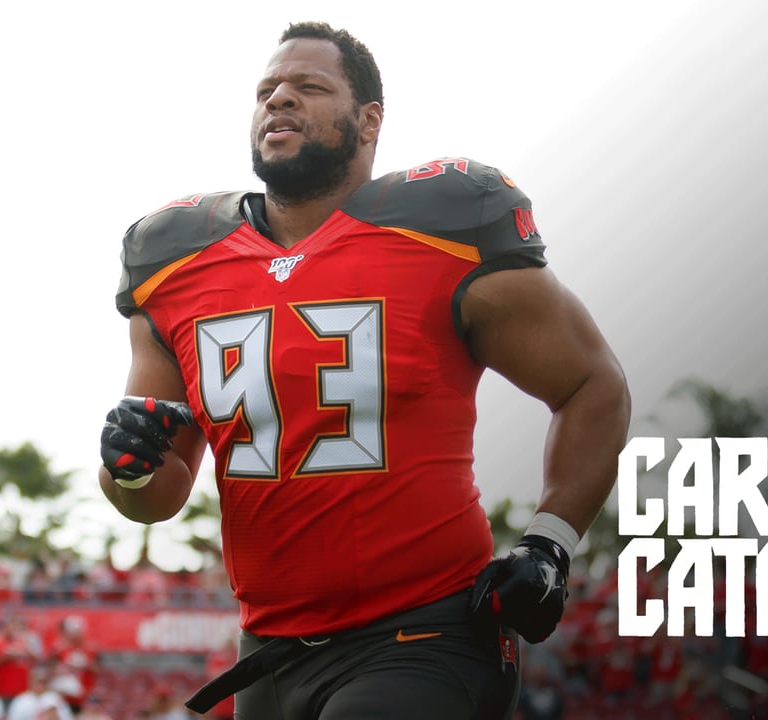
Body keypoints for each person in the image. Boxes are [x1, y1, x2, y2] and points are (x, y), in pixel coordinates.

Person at [97, 20, 630, 720]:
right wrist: (127, 465)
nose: (279, 100)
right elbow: (155, 495)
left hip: (425, 633)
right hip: (270, 650)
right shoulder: (175, 261)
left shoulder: (443, 226)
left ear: (369, 119)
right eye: (267, 90)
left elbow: (593, 385)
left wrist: (550, 543)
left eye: (308, 87)